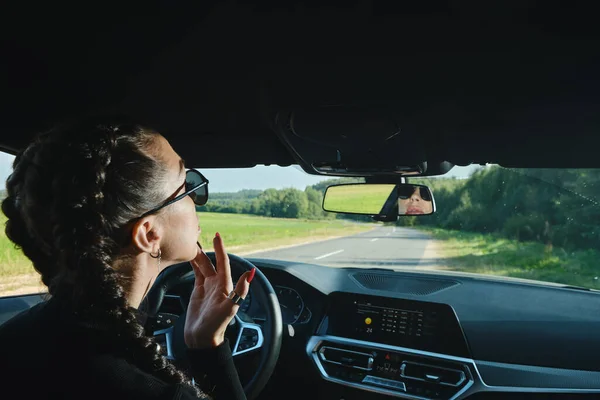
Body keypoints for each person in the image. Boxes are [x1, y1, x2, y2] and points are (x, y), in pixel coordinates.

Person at [0, 118, 256, 399]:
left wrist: (201, 337)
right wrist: (209, 349)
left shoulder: (14, 338)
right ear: (149, 234)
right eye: (186, 187)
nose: (197, 199)